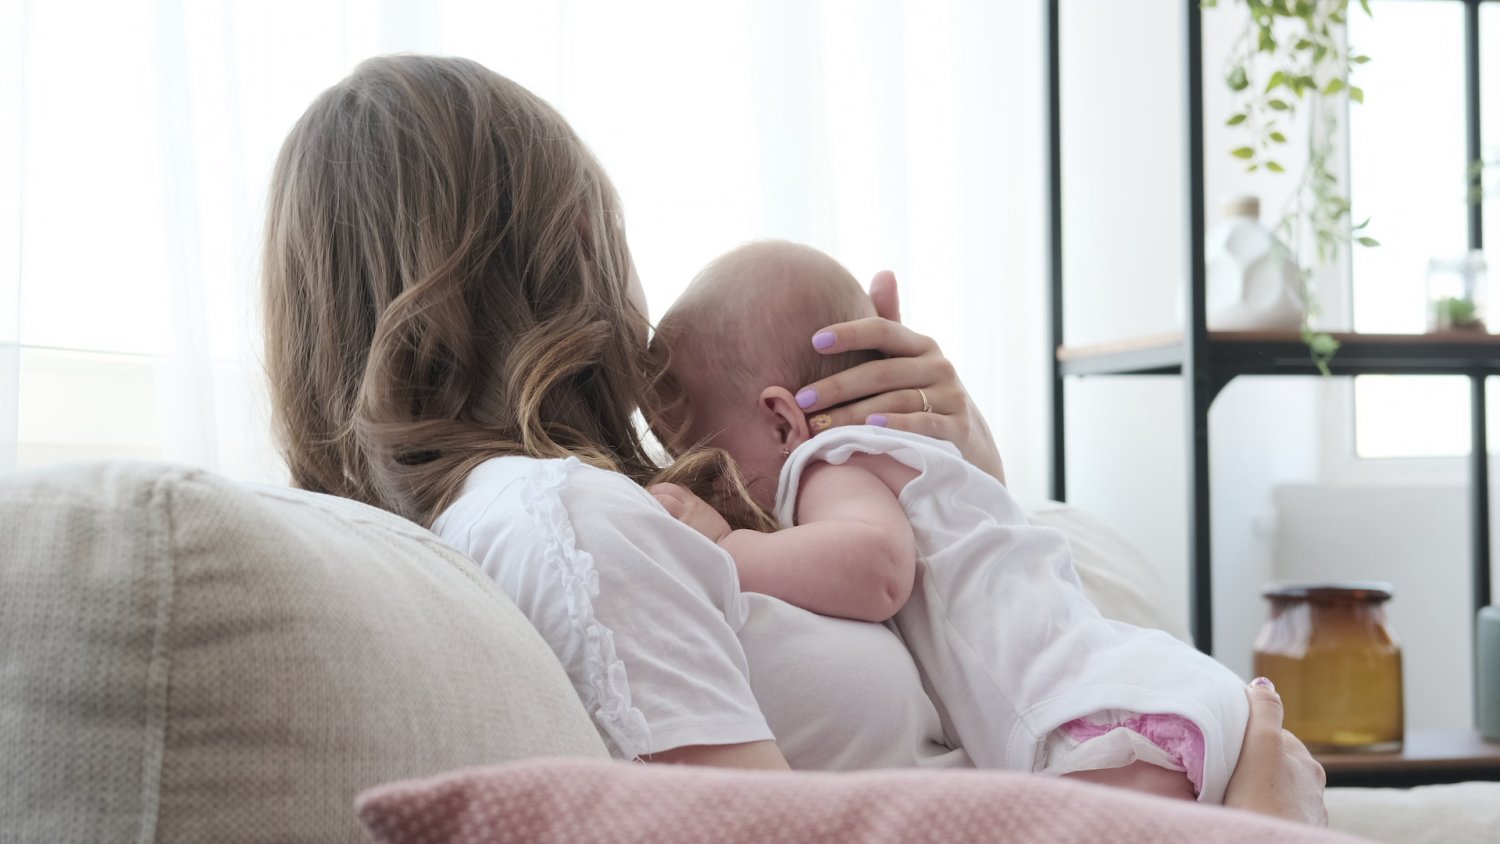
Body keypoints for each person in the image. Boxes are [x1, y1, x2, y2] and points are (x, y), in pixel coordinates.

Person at [259, 54, 1326, 824]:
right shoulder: (570, 524)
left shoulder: (614, 511)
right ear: (573, 242)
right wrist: (1256, 817)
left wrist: (960, 470)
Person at [647, 240, 1252, 804]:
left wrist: (729, 546)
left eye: (702, 458)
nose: (706, 482)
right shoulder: (914, 456)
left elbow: (877, 571)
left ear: (782, 421)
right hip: (1135, 695)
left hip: (1082, 725)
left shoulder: (828, 464)